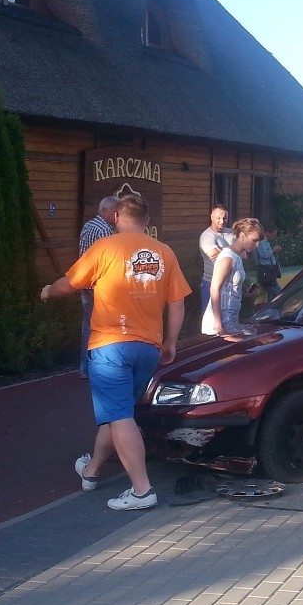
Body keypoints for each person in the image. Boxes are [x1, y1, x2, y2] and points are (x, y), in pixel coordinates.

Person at [40, 194, 191, 511]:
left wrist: (48, 291)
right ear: (146, 221)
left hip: (111, 344)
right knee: (119, 412)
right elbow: (177, 303)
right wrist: (172, 342)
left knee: (120, 416)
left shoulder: (106, 247)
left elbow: (71, 284)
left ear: (117, 216)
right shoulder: (164, 253)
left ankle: (142, 490)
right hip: (148, 347)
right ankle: (92, 471)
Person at [78, 196, 118, 378]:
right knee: (104, 328)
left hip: (86, 282)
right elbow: (110, 260)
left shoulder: (88, 226)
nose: (117, 216)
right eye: (115, 212)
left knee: (87, 326)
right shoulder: (105, 231)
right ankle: (98, 368)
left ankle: (85, 367)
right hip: (100, 285)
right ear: (105, 211)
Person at [202, 217, 263, 336]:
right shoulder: (227, 258)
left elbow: (229, 287)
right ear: (242, 235)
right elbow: (215, 288)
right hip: (219, 323)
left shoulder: (237, 256)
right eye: (254, 240)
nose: (257, 245)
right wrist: (218, 325)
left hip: (230, 319)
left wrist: (244, 292)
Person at [199, 205, 234, 314]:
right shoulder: (207, 236)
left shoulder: (231, 233)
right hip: (211, 283)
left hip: (231, 284)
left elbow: (244, 255)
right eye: (218, 218)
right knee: (212, 322)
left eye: (224, 218)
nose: (222, 221)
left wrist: (222, 250)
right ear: (211, 217)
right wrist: (235, 250)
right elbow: (214, 256)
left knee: (230, 319)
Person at [254, 222, 283, 300]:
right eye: (273, 235)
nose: (274, 237)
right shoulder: (261, 243)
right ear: (267, 233)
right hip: (265, 271)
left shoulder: (267, 242)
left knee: (271, 295)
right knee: (279, 293)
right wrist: (273, 250)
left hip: (271, 270)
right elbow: (264, 255)